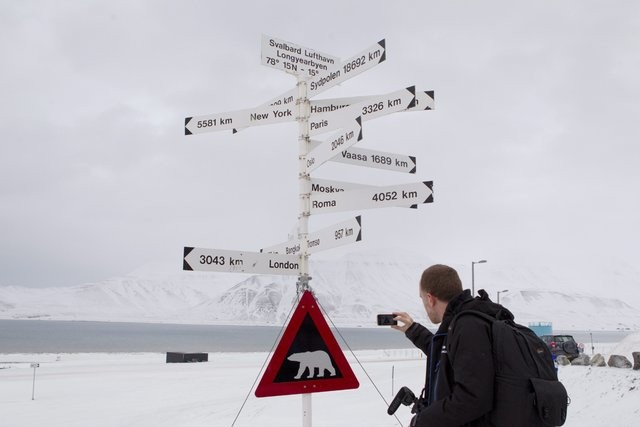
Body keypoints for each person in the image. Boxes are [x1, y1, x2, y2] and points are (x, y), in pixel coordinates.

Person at [391, 264, 515, 427]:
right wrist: (413, 330)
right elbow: (447, 357)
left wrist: (422, 421)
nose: (424, 306)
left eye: (422, 299)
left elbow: (473, 398)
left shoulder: (468, 327)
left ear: (430, 299)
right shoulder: (468, 321)